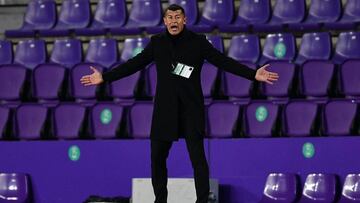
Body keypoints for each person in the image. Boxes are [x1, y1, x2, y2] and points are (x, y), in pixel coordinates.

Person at [80, 4, 279, 203]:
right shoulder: (157, 43)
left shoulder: (198, 42)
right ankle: (161, 200)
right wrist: (104, 77)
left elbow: (223, 61)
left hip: (190, 109)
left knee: (198, 159)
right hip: (165, 111)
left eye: (177, 17)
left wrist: (253, 74)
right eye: (170, 17)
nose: (173, 21)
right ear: (165, 21)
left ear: (184, 20)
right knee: (157, 159)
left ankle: (202, 201)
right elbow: (134, 64)